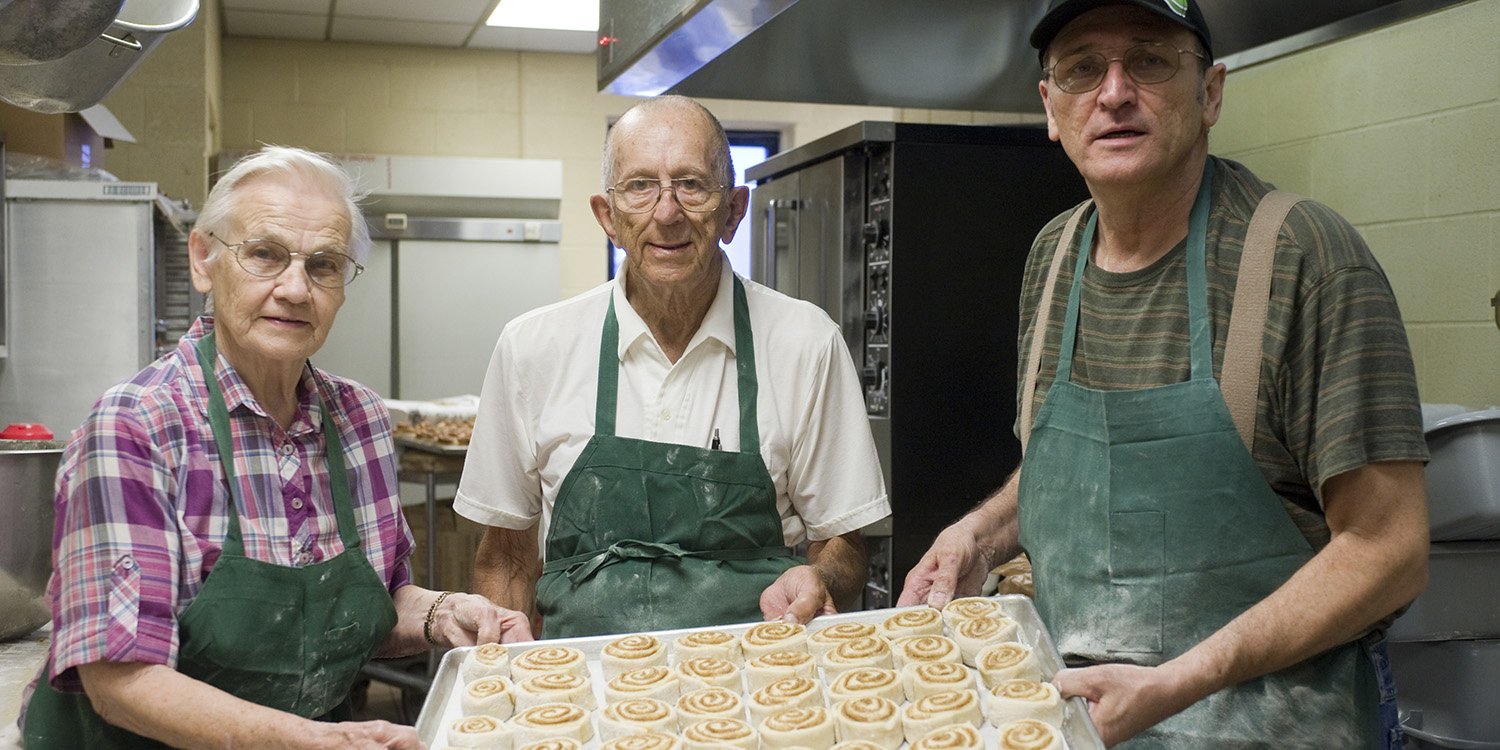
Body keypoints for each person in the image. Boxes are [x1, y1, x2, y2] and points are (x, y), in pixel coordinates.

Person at [898, 1, 1430, 747]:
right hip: (1080, 715)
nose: (1113, 92)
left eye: (1148, 60)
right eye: (1083, 68)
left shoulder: (1304, 259)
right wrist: (976, 537)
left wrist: (1182, 681)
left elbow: (1389, 551)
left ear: (1210, 93)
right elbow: (1075, 478)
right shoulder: (1053, 260)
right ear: (1051, 108)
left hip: (1274, 724)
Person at [19, 146, 533, 750]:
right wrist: (312, 740)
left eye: (323, 265)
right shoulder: (136, 428)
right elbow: (118, 676)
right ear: (204, 259)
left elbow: (373, 605)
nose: (295, 288)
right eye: (265, 254)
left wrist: (443, 612)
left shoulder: (360, 422)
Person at [455, 95, 890, 639]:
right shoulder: (532, 349)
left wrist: (820, 575)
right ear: (607, 217)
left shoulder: (805, 343)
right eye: (639, 186)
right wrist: (508, 664)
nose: (666, 212)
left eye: (691, 183)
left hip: (760, 689)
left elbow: (845, 544)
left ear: (733, 211)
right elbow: (506, 557)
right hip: (584, 687)